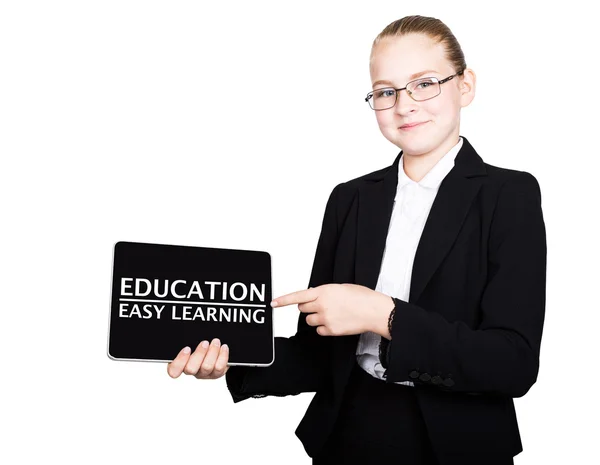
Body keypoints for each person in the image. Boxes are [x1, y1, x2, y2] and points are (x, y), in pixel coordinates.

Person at [167, 15, 547, 465]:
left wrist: (381, 314)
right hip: (348, 437)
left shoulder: (509, 194)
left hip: (458, 445)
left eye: (424, 83)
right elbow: (316, 356)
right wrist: (234, 358)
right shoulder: (350, 199)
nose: (404, 106)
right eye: (386, 91)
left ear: (464, 86)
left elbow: (513, 362)